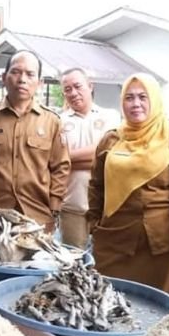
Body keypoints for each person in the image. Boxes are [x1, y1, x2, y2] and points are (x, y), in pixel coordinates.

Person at [87, 73, 169, 300]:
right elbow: (96, 186)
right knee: (108, 303)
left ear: (154, 99)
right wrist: (94, 225)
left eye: (142, 97)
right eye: (129, 98)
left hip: (160, 245)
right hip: (113, 239)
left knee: (159, 307)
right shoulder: (111, 139)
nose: (135, 104)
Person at [0, 51, 70, 230]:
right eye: (15, 72)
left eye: (30, 74)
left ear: (40, 83)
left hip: (37, 214)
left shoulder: (52, 121)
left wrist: (54, 205)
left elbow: (60, 166)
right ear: (4, 78)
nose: (22, 79)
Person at [58, 68, 120, 249]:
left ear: (90, 86)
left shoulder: (110, 116)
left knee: (104, 259)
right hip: (72, 205)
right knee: (73, 258)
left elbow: (110, 155)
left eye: (78, 86)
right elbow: (54, 161)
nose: (73, 93)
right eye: (67, 89)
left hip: (105, 205)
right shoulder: (58, 121)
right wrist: (98, 157)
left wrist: (67, 159)